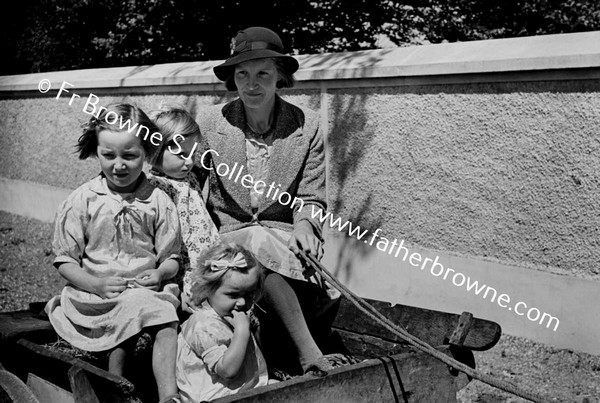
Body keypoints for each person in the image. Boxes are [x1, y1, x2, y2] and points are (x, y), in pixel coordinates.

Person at [195, 26, 339, 375]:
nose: (251, 84)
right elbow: (190, 188)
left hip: (282, 235)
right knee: (256, 243)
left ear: (281, 77)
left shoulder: (307, 125)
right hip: (227, 235)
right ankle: (309, 354)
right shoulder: (211, 123)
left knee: (280, 250)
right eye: (242, 74)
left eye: (263, 74)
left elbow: (311, 195)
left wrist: (305, 223)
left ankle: (287, 348)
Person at [45, 103, 182, 403]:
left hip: (144, 292)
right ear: (97, 152)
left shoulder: (158, 201)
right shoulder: (83, 200)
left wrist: (160, 273)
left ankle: (169, 395)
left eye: (130, 156)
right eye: (109, 155)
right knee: (133, 305)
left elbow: (172, 256)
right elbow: (65, 260)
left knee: (165, 316)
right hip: (95, 296)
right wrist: (94, 284)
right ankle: (116, 385)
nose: (119, 165)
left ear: (147, 152)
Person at [147, 105, 221, 310]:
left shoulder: (190, 177)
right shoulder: (156, 186)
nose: (188, 161)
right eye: (180, 154)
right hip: (182, 259)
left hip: (204, 250)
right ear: (155, 149)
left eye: (192, 153)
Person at [176, 243, 268, 402]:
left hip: (243, 391)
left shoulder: (232, 316)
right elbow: (228, 370)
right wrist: (242, 331)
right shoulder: (202, 324)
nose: (241, 302)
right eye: (233, 295)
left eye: (249, 295)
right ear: (208, 289)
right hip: (215, 397)